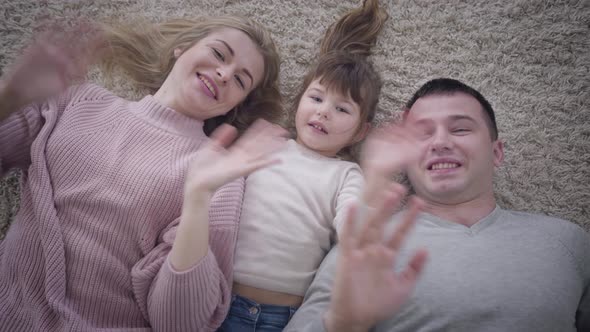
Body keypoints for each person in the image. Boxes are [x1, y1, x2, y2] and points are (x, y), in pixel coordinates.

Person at [0, 15, 287, 331]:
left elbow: (180, 323)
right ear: (182, 48)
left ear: (235, 105)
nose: (223, 73)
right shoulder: (79, 100)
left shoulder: (219, 172)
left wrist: (197, 198)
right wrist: (9, 99)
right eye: (219, 54)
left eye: (240, 81)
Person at [284, 78, 590, 332]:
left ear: (497, 153)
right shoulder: (366, 245)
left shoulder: (567, 242)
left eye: (460, 129)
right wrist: (343, 324)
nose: (440, 142)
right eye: (422, 133)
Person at [199, 0, 390, 330]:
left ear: (361, 131)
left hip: (283, 317)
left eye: (342, 109)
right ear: (298, 101)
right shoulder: (267, 142)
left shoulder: (345, 173)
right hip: (218, 300)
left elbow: (351, 215)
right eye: (315, 98)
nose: (323, 112)